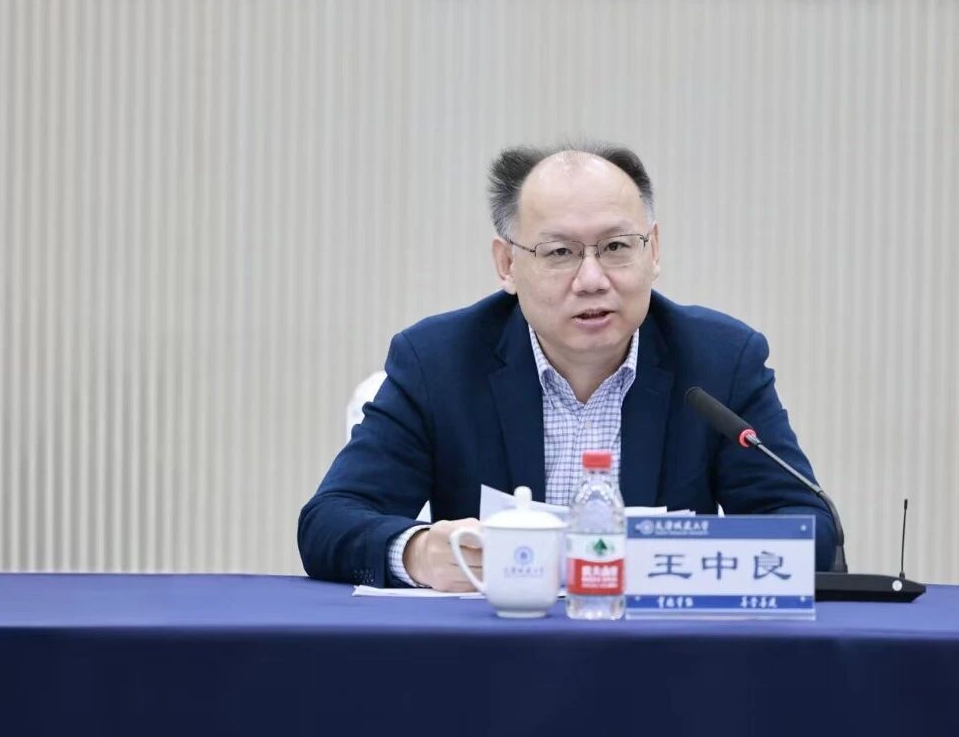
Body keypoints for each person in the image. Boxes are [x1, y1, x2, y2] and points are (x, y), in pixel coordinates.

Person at [298, 144, 835, 589]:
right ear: (508, 264)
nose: (592, 279)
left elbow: (808, 528)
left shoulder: (720, 360)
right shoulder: (438, 362)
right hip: (491, 658)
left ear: (653, 251)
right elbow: (330, 519)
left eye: (616, 246)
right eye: (559, 253)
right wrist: (416, 552)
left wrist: (671, 557)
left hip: (661, 658)